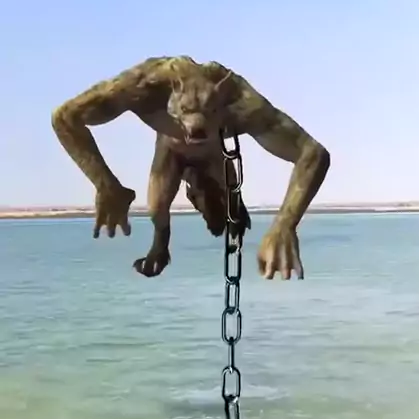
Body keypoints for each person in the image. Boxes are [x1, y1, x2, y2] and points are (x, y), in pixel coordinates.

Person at [51, 55, 330, 281]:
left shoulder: (241, 104)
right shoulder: (144, 87)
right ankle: (163, 243)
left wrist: (285, 224)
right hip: (171, 150)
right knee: (158, 209)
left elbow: (313, 153)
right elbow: (64, 117)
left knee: (186, 207)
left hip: (209, 155)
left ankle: (219, 221)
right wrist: (105, 184)